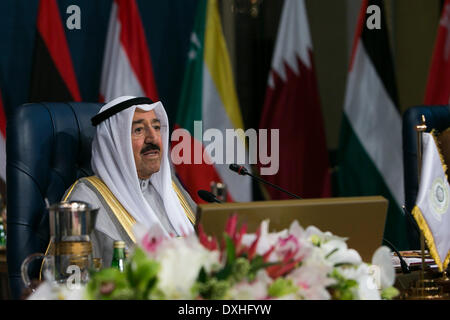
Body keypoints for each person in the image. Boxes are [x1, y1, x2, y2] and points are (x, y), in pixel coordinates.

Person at [62, 96, 196, 266]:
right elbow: (71, 278)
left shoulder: (170, 189)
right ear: (115, 143)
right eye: (138, 130)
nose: (153, 138)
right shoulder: (84, 199)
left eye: (156, 127)